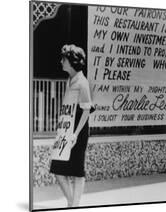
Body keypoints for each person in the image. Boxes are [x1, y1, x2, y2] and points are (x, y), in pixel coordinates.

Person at [50, 44, 92, 207]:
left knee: (77, 170)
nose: (61, 62)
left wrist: (75, 134)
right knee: (58, 169)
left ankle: (74, 205)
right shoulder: (70, 80)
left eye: (64, 59)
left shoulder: (82, 82)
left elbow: (86, 111)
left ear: (72, 62)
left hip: (78, 131)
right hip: (67, 130)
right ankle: (72, 202)